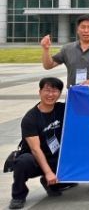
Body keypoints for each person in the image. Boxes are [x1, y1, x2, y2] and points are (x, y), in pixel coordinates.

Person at [40, 14, 89, 192]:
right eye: (83, 27)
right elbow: (48, 65)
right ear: (77, 29)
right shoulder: (68, 48)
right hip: (74, 101)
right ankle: (73, 175)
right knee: (74, 137)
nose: (86, 30)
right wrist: (46, 49)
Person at [9, 77, 73, 209]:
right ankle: (18, 196)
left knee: (75, 157)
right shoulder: (30, 118)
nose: (50, 94)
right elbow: (35, 149)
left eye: (55, 91)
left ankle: (49, 182)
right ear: (40, 92)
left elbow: (83, 107)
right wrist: (48, 172)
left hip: (55, 156)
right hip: (35, 159)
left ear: (60, 93)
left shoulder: (62, 109)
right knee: (22, 162)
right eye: (47, 90)